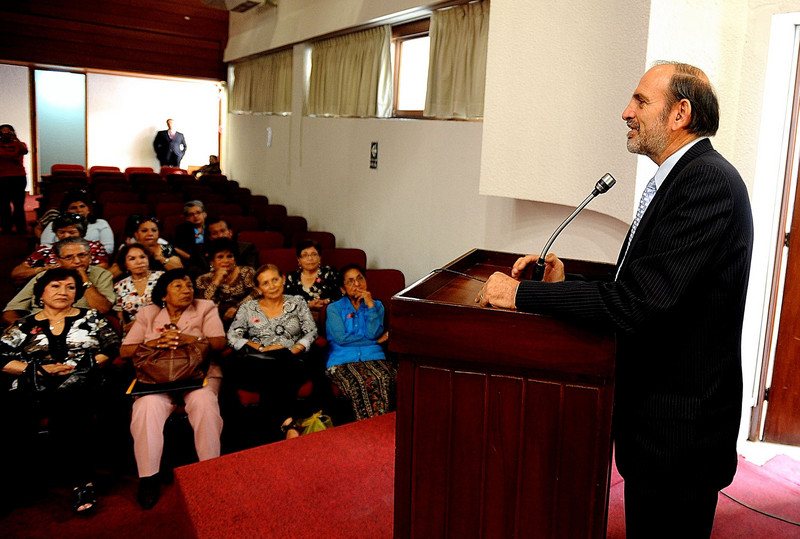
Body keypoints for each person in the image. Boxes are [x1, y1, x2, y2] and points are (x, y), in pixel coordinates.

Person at [477, 62, 754, 538]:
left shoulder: (705, 183)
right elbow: (643, 284)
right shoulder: (682, 177)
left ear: (679, 113)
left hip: (679, 434)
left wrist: (524, 295)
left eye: (641, 101)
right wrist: (563, 286)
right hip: (661, 428)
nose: (626, 112)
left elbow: (640, 303)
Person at [0, 268, 120, 514]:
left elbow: (111, 348)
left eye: (70, 287)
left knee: (71, 403)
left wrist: (80, 369)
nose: (63, 292)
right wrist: (37, 370)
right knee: (12, 409)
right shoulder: (23, 325)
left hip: (83, 383)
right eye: (56, 286)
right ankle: (14, 484)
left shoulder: (92, 317)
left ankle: (81, 482)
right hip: (33, 386)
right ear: (40, 293)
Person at [118, 269, 226, 510]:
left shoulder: (205, 307)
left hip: (199, 375)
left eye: (189, 285)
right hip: (156, 379)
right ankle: (148, 477)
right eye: (178, 286)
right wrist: (155, 343)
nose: (186, 289)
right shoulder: (148, 312)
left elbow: (219, 342)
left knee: (204, 402)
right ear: (163, 295)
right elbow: (125, 350)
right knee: (145, 407)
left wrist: (189, 339)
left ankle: (210, 471)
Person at [226, 264, 317, 436]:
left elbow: (311, 331)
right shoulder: (248, 308)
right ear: (258, 288)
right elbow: (232, 336)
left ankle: (278, 429)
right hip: (259, 362)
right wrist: (261, 347)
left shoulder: (297, 302)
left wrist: (293, 348)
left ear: (283, 279)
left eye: (275, 280)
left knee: (281, 364)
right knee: (273, 371)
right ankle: (288, 423)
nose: (272, 286)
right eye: (266, 283)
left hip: (292, 360)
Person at [325, 264, 393, 421]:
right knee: (360, 382)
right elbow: (341, 338)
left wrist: (370, 306)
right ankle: (365, 429)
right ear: (343, 288)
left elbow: (373, 331)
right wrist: (374, 341)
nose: (356, 284)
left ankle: (382, 427)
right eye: (350, 281)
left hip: (373, 356)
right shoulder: (334, 309)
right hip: (342, 359)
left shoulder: (377, 306)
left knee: (384, 378)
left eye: (359, 279)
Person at [3, 237, 115, 326]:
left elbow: (102, 308)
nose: (77, 261)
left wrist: (84, 277)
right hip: (39, 326)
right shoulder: (44, 276)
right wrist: (24, 328)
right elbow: (10, 311)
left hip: (79, 328)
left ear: (90, 257)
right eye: (69, 257)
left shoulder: (102, 275)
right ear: (58, 260)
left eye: (82, 255)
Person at [11, 213, 109, 283]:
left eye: (71, 232)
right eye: (61, 232)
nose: (66, 236)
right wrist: (43, 269)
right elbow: (16, 273)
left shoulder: (93, 247)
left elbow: (103, 268)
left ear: (81, 233)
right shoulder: (46, 249)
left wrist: (69, 270)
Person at [195, 239, 257, 329]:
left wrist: (237, 308)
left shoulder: (246, 272)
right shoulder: (203, 279)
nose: (226, 260)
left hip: (245, 316)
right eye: (220, 257)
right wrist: (216, 282)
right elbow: (202, 304)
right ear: (212, 261)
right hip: (214, 320)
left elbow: (257, 292)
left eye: (229, 256)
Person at [39, 189, 114, 253]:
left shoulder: (101, 223)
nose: (79, 210)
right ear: (66, 211)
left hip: (93, 259)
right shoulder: (55, 223)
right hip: (59, 261)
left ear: (88, 209)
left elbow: (109, 248)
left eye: (82, 206)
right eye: (73, 208)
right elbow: (45, 246)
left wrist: (81, 255)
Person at [113, 243, 163, 335]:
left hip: (162, 325)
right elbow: (119, 312)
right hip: (135, 331)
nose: (139, 262)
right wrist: (124, 328)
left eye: (142, 257)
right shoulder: (119, 286)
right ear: (125, 264)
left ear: (148, 259)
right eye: (132, 259)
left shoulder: (162, 277)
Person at [110, 215, 182, 277]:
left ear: (158, 233)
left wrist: (160, 258)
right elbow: (109, 275)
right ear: (136, 234)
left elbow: (180, 272)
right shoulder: (127, 250)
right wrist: (126, 264)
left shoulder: (167, 249)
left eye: (154, 230)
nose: (150, 234)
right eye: (144, 231)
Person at [284, 240, 341, 313]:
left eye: (314, 254)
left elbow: (340, 295)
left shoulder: (330, 273)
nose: (310, 258)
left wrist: (326, 301)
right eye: (305, 255)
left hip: (328, 314)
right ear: (299, 260)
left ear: (320, 257)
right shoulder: (292, 278)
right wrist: (308, 305)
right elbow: (287, 302)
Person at [0, 124, 29, 234]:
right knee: (3, 205)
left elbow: (24, 150)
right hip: (2, 178)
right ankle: (6, 227)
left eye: (8, 132)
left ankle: (21, 227)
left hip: (18, 177)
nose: (6, 135)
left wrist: (15, 139)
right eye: (3, 133)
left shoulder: (19, 144)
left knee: (18, 205)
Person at [173, 200, 209, 277]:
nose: (195, 216)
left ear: (204, 214)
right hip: (191, 263)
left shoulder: (211, 227)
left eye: (198, 213)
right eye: (191, 214)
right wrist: (191, 258)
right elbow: (178, 248)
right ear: (187, 218)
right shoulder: (181, 229)